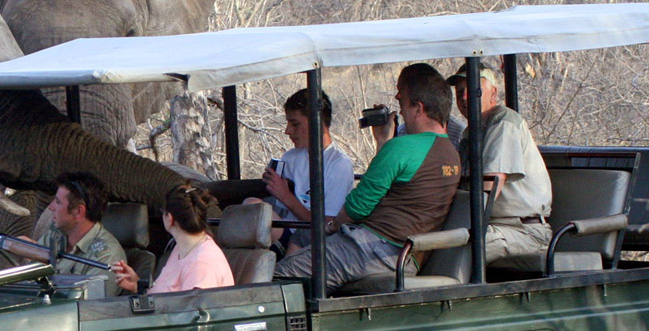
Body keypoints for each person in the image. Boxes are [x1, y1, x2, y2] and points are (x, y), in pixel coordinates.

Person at [274, 63, 462, 294]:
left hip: (375, 249)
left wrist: (332, 226)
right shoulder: (451, 153)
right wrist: (383, 142)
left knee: (276, 277)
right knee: (305, 239)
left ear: (418, 108)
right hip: (404, 254)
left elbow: (358, 207)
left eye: (402, 103)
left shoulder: (402, 147)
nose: (400, 111)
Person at [447, 62, 553, 262]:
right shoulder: (470, 133)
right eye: (460, 91)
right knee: (437, 240)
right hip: (493, 227)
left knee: (465, 246)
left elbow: (490, 187)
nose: (464, 97)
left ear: (493, 93)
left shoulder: (503, 122)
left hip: (523, 231)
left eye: (473, 89)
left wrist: (454, 228)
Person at [247, 89, 355, 256]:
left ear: (316, 122)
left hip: (309, 241)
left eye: (295, 124)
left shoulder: (338, 165)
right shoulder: (290, 157)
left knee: (254, 208)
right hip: (284, 230)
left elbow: (328, 224)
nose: (288, 131)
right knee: (250, 205)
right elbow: (280, 209)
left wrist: (286, 196)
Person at [112, 183, 233, 294]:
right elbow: (166, 296)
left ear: (170, 219)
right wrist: (138, 286)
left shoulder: (201, 264)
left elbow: (190, 313)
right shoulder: (181, 248)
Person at [34, 172, 128, 294]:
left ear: (78, 211)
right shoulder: (55, 235)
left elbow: (92, 307)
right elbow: (30, 277)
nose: (51, 207)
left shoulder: (106, 257)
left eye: (58, 202)